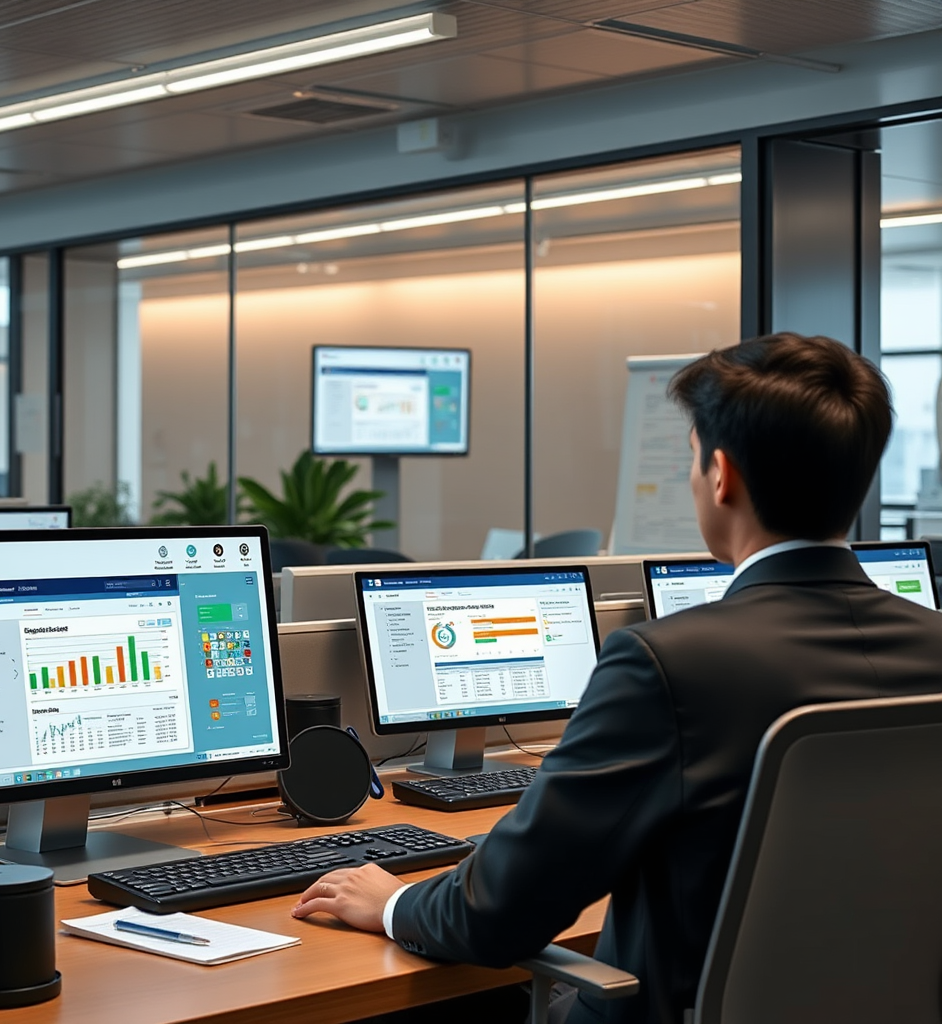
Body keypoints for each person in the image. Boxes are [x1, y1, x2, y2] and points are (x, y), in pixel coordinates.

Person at [291, 332, 942, 1024]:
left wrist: (390, 902)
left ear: (720, 476)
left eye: (692, 460)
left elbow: (499, 913)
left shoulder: (668, 663)